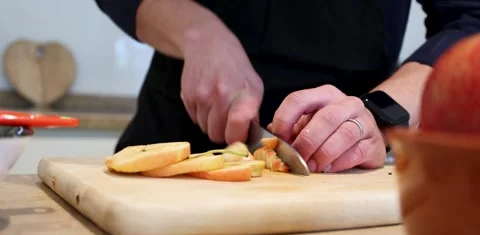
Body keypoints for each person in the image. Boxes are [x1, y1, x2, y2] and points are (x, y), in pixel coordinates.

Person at [94, 0, 480, 173]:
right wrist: (198, 33)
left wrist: (380, 112)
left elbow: (471, 19)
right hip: (175, 144)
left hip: (344, 164)